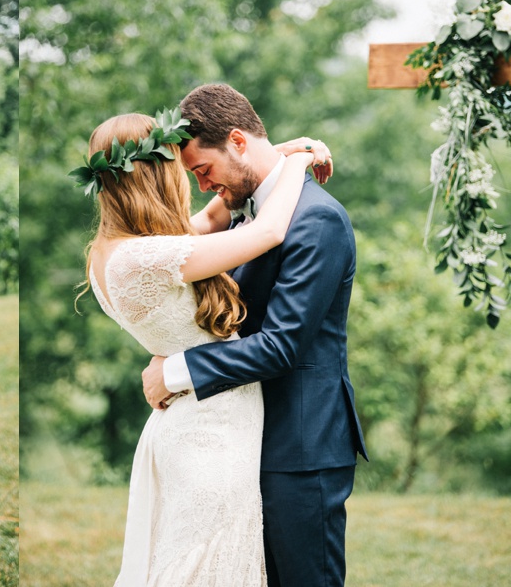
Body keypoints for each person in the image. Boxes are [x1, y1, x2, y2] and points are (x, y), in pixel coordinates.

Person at [77, 109, 323, 586]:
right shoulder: (147, 257)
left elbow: (216, 215)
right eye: (177, 166)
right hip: (211, 438)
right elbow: (267, 232)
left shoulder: (118, 252)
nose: (188, 178)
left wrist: (277, 154)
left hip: (195, 425)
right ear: (153, 176)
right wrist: (302, 160)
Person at [141, 82, 369, 587]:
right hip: (244, 444)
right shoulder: (245, 211)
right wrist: (292, 153)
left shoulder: (318, 221)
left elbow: (282, 344)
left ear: (238, 142)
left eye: (204, 170)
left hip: (301, 451)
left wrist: (173, 374)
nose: (202, 185)